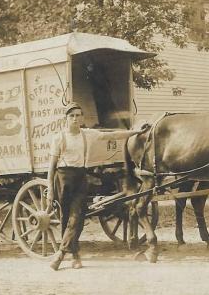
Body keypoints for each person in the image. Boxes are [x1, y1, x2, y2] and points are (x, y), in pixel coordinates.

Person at [48, 102, 148, 271]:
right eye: (71, 116)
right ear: (66, 119)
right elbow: (51, 167)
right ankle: (75, 255)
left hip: (80, 177)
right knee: (66, 219)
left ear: (82, 118)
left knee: (77, 216)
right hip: (63, 179)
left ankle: (60, 253)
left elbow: (114, 135)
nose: (75, 118)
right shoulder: (58, 138)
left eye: (78, 115)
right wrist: (50, 189)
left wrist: (137, 132)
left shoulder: (88, 135)